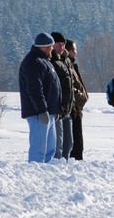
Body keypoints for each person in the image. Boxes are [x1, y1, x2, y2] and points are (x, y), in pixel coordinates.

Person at [19, 32, 61, 163]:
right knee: (39, 151)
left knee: (50, 150)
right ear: (43, 47)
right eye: (50, 46)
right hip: (39, 114)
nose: (52, 49)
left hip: (49, 113)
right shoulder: (33, 62)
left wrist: (55, 109)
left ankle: (45, 178)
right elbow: (35, 89)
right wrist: (42, 110)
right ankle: (34, 176)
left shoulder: (44, 61)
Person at [50, 32, 75, 159]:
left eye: (63, 45)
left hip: (68, 108)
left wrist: (72, 104)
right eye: (58, 44)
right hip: (57, 108)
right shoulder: (51, 60)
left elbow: (70, 85)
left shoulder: (66, 60)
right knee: (57, 146)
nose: (61, 47)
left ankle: (64, 169)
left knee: (68, 145)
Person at [65, 39, 89, 160]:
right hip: (73, 108)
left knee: (78, 142)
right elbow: (69, 86)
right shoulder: (66, 65)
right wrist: (80, 96)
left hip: (77, 108)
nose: (76, 52)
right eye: (74, 50)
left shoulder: (72, 65)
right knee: (75, 143)